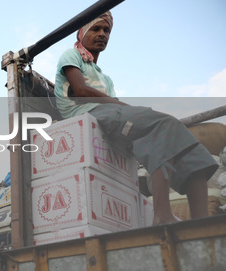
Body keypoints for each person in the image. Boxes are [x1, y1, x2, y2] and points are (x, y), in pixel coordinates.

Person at [54, 11, 218, 224]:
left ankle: (202, 223)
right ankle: (162, 215)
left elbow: (116, 108)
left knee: (189, 149)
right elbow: (81, 91)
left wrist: (124, 108)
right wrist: (124, 106)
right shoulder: (71, 55)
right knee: (164, 124)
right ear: (82, 33)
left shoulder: (105, 77)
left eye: (106, 30)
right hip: (87, 113)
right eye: (96, 29)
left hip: (109, 114)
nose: (102, 34)